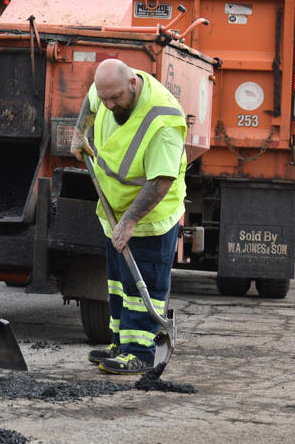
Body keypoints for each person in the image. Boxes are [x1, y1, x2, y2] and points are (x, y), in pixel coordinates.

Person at [70, 58, 186, 375]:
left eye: (116, 98)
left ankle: (141, 353)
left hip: (150, 216)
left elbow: (161, 181)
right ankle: (120, 344)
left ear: (132, 84)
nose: (108, 105)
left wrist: (131, 220)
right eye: (105, 98)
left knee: (142, 286)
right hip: (116, 208)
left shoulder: (163, 121)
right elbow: (92, 99)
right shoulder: (107, 92)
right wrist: (80, 132)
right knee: (120, 284)